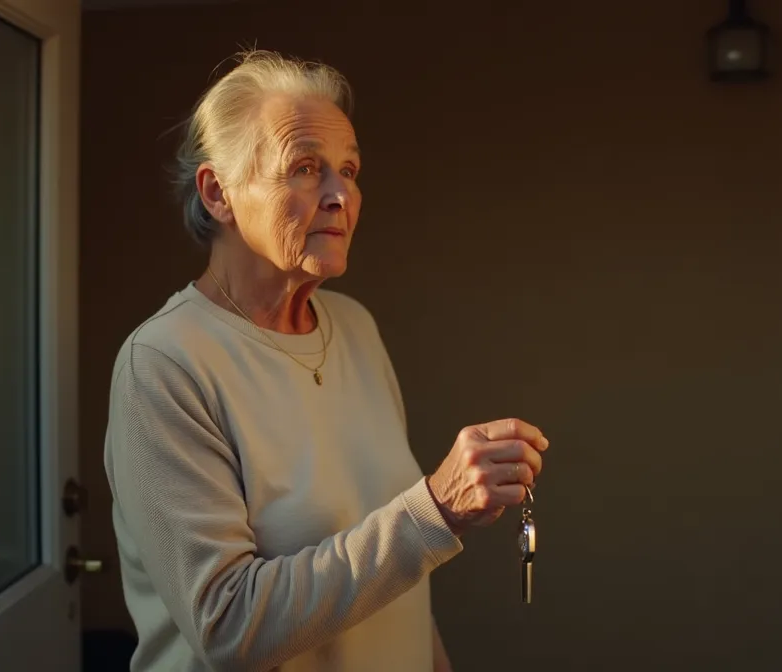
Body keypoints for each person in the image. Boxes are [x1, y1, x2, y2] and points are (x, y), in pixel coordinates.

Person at [102, 50, 551, 672]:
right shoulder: (163, 365)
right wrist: (437, 508)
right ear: (218, 193)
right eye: (306, 168)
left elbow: (398, 588)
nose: (342, 195)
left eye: (350, 169)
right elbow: (229, 627)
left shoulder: (355, 328)